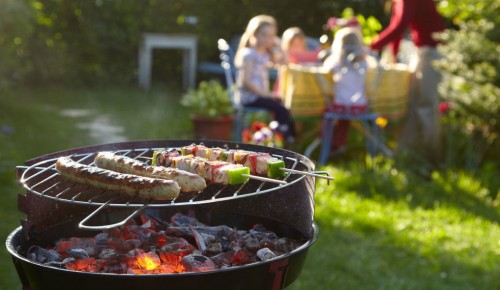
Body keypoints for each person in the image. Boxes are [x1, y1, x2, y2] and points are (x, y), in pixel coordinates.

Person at [370, 0, 446, 165]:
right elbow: (397, 26)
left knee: (426, 105)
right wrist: (393, 57)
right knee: (410, 101)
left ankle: (433, 159)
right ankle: (408, 153)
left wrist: (372, 46)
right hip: (420, 51)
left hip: (432, 51)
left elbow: (400, 24)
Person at [234, 15, 296, 143]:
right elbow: (245, 82)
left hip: (261, 96)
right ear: (254, 34)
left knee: (285, 104)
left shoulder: (266, 54)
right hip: (250, 97)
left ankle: (281, 135)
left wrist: (280, 46)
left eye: (271, 36)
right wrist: (266, 94)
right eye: (264, 35)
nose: (267, 39)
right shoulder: (249, 54)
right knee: (280, 108)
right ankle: (283, 136)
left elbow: (285, 63)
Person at [322, 26, 372, 154]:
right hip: (360, 105)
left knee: (327, 111)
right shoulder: (365, 61)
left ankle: (327, 141)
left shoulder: (336, 61)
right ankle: (339, 143)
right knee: (344, 117)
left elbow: (324, 70)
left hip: (340, 105)